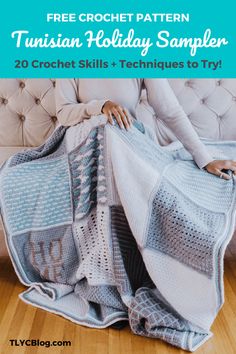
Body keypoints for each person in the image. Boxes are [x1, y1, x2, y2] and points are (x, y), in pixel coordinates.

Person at [55, 78, 236, 180]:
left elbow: (170, 111)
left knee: (111, 130)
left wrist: (204, 158)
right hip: (82, 143)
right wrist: (101, 106)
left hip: (125, 142)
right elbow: (64, 113)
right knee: (105, 127)